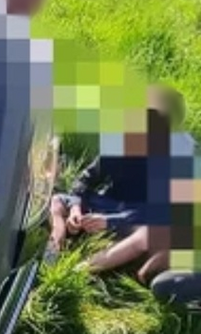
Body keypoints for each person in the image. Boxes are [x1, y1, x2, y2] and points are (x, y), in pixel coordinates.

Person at [47, 84, 188, 281]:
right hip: (109, 203)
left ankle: (79, 271)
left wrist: (111, 221)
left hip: (139, 218)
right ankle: (54, 246)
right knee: (57, 200)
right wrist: (76, 208)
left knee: (148, 234)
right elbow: (87, 178)